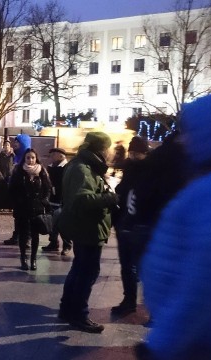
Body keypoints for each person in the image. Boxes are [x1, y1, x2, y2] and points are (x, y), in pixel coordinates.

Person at [137, 94, 211, 359]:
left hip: (198, 343)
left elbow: (208, 279)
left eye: (189, 132)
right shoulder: (210, 185)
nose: (184, 140)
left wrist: (162, 343)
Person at [57, 131, 116, 333]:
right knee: (87, 272)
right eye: (108, 148)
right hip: (87, 228)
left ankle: (67, 309)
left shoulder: (85, 166)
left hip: (86, 227)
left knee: (79, 269)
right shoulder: (82, 169)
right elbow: (82, 200)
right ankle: (79, 314)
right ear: (100, 149)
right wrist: (111, 198)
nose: (110, 153)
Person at [109, 136, 149, 316]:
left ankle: (150, 305)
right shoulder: (129, 169)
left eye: (137, 153)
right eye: (131, 152)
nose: (133, 156)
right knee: (127, 266)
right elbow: (121, 192)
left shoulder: (152, 172)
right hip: (125, 224)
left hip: (141, 225)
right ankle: (129, 300)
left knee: (142, 266)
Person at [9, 148, 52, 271]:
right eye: (28, 157)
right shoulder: (18, 171)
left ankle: (33, 259)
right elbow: (12, 189)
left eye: (33, 157)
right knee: (23, 235)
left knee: (35, 235)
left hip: (37, 208)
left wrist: (44, 200)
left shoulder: (42, 170)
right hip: (22, 208)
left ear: (36, 158)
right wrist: (17, 202)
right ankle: (23, 259)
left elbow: (47, 188)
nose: (30, 160)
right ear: (25, 158)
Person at [42, 148, 73, 255]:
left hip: (63, 200)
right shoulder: (51, 167)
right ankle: (53, 242)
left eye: (54, 154)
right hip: (52, 199)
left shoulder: (67, 167)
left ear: (61, 156)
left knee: (63, 224)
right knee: (51, 223)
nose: (51, 157)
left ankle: (67, 245)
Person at [4, 134, 32, 245]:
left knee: (28, 217)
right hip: (17, 193)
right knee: (18, 216)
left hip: (28, 194)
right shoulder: (14, 156)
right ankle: (17, 236)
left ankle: (27, 238)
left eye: (17, 142)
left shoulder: (29, 156)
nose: (15, 144)